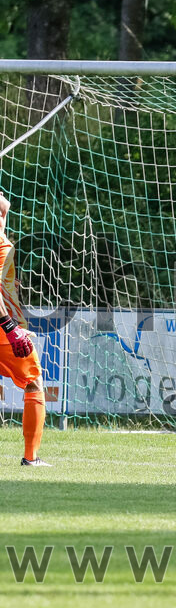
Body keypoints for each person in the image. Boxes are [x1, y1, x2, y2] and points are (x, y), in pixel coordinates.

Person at [0, 194, 49, 467]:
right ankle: (31, 457)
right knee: (34, 382)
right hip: (3, 329)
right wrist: (10, 327)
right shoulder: (1, 243)